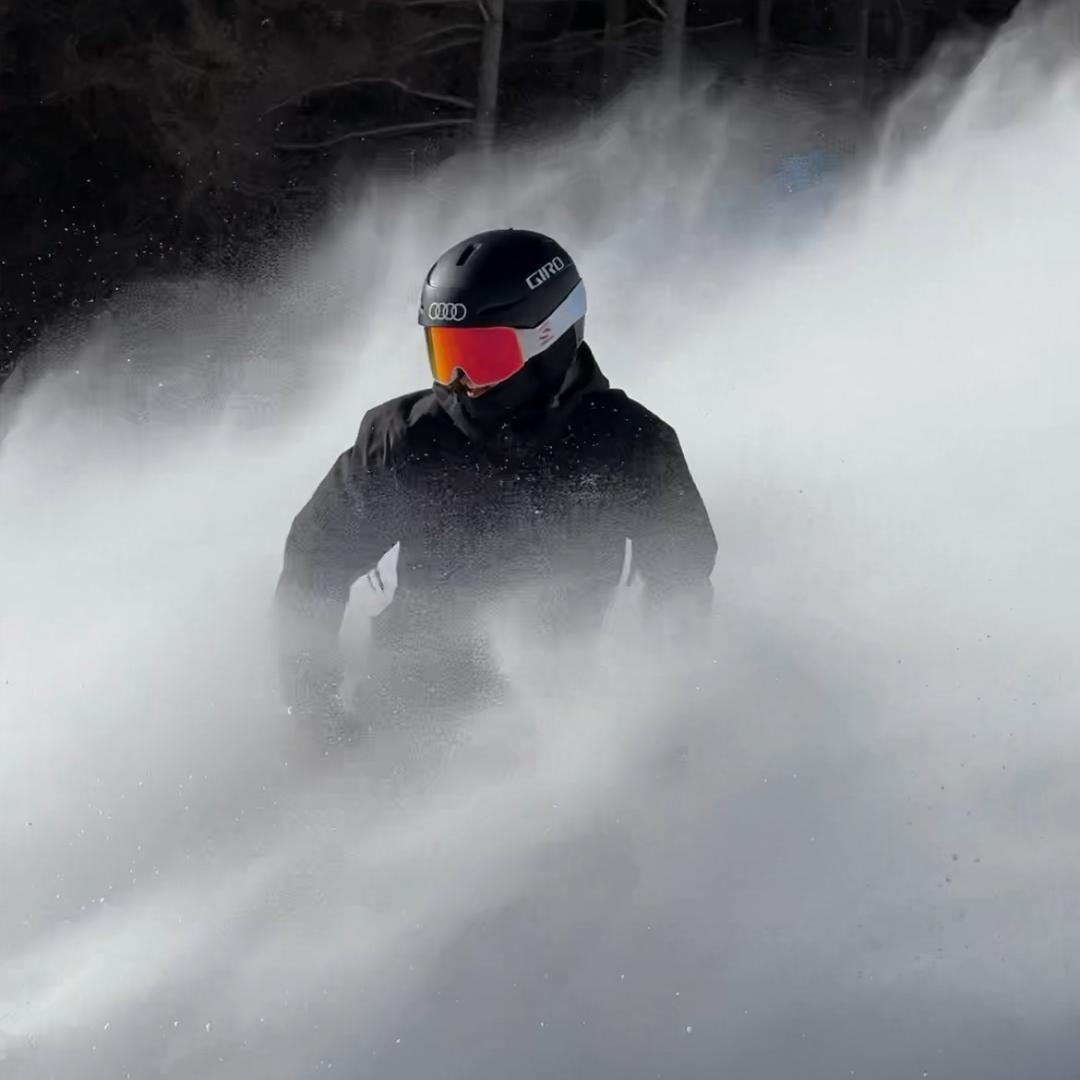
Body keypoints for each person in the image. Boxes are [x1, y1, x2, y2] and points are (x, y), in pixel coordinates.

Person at [275, 229, 717, 740]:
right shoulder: (407, 442)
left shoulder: (629, 446)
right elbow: (314, 561)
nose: (464, 379)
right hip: (406, 711)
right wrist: (313, 712)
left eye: (484, 355)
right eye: (446, 354)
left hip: (561, 715)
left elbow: (681, 584)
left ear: (548, 340)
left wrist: (665, 718)